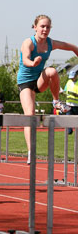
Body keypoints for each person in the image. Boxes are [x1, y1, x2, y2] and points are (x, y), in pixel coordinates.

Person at [17, 14, 78, 163]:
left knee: (52, 71)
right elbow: (25, 60)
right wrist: (33, 62)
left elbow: (69, 47)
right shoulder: (29, 43)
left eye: (48, 27)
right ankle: (31, 151)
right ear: (35, 27)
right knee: (30, 115)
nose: (45, 29)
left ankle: (56, 101)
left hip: (39, 80)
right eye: (42, 26)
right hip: (25, 82)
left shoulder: (50, 43)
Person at [64, 68, 78, 135]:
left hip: (76, 105)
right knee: (68, 118)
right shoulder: (68, 82)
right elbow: (65, 90)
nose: (72, 79)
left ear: (76, 76)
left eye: (73, 77)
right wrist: (62, 92)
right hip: (68, 104)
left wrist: (76, 95)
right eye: (71, 77)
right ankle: (69, 131)